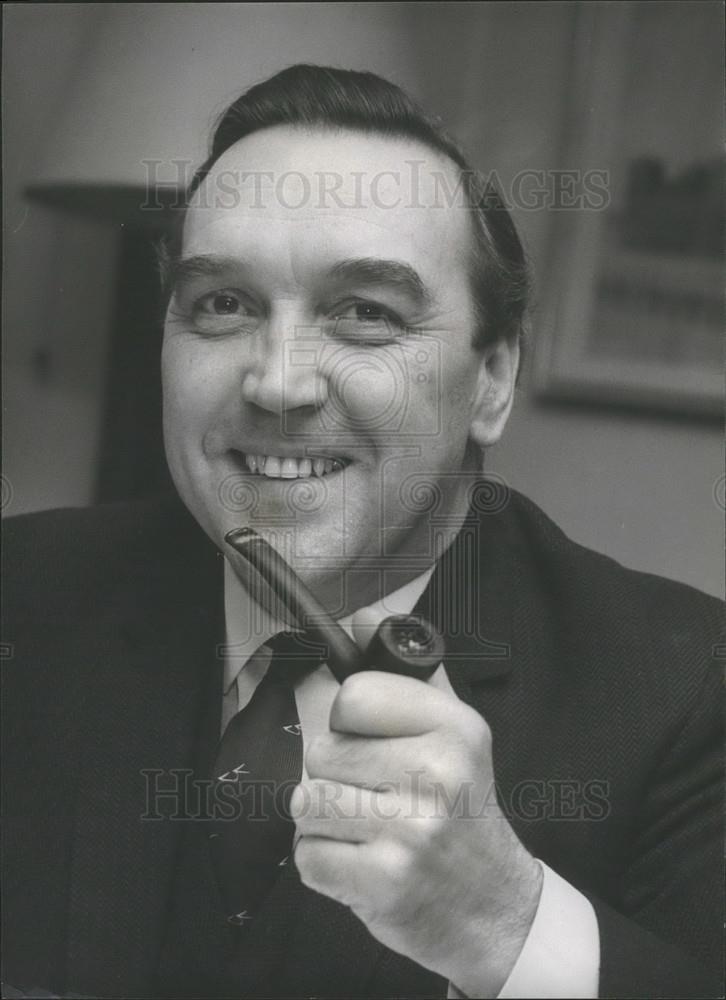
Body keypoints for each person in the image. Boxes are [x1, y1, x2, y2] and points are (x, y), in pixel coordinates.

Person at [2, 65, 722, 1000]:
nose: (279, 383)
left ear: (493, 378)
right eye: (224, 304)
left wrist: (504, 926)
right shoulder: (22, 596)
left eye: (365, 314)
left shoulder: (688, 691)